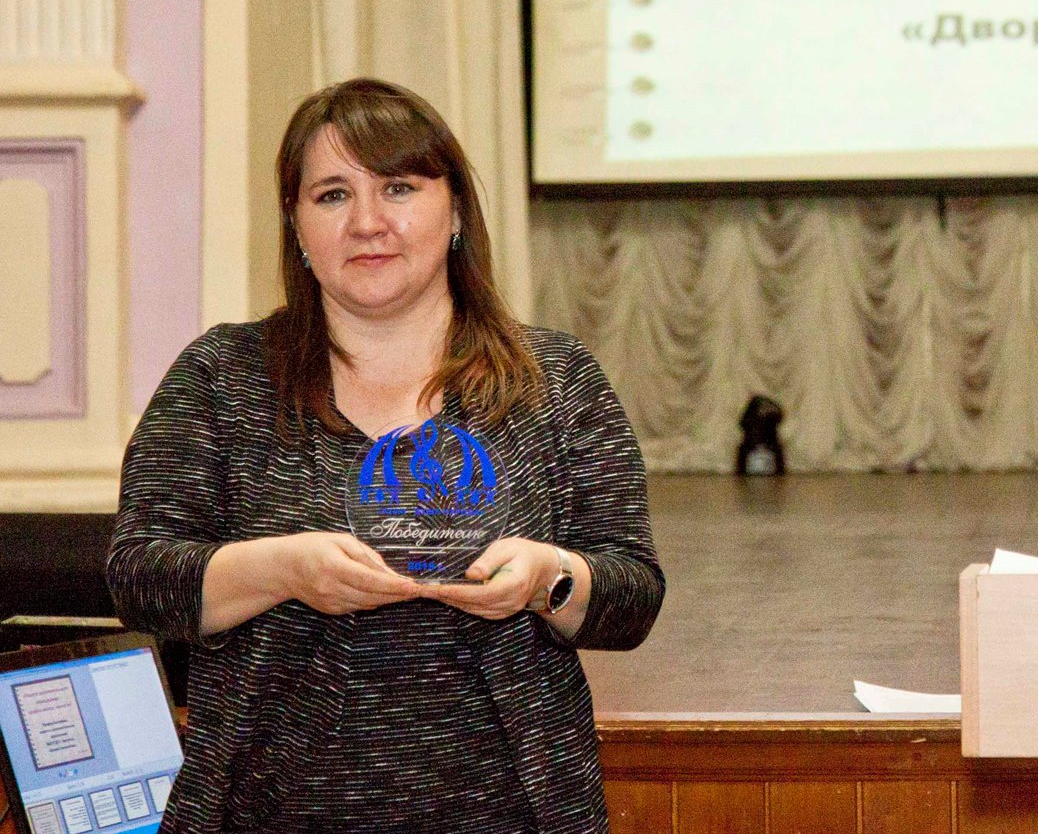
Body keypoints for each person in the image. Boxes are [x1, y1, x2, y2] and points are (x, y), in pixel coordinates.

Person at [109, 78, 664, 834]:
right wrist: (284, 570)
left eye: (399, 188)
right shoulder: (222, 377)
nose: (368, 221)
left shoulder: (556, 380)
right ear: (296, 225)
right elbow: (140, 578)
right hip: (264, 811)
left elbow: (632, 596)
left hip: (517, 812)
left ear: (456, 210)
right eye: (333, 195)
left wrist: (549, 578)